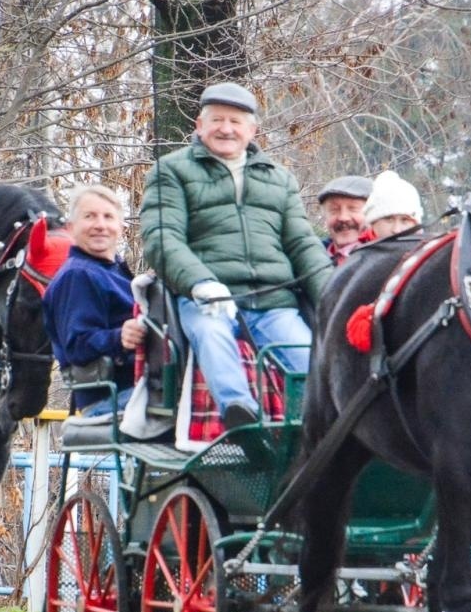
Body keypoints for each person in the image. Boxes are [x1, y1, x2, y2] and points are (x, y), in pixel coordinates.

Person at [140, 82, 332, 430]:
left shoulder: (279, 179)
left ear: (252, 130)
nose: (226, 129)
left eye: (235, 121)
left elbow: (303, 245)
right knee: (211, 337)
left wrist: (334, 299)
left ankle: (307, 436)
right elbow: (161, 238)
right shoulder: (171, 171)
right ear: (199, 125)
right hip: (208, 300)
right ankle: (241, 416)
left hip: (274, 303)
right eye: (217, 120)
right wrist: (200, 283)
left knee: (308, 361)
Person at [42, 186, 146, 414]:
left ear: (121, 227)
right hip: (111, 397)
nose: (100, 225)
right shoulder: (78, 275)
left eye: (108, 217)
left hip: (141, 388)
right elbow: (77, 346)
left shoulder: (115, 271)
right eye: (89, 216)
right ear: (71, 228)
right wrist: (120, 337)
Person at [316, 174, 373, 265]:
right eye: (334, 210)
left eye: (353, 208)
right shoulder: (307, 260)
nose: (343, 217)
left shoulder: (390, 262)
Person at [363, 169, 424, 240]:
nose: (396, 230)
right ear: (372, 223)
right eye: (389, 219)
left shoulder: (430, 249)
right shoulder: (353, 250)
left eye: (405, 220)